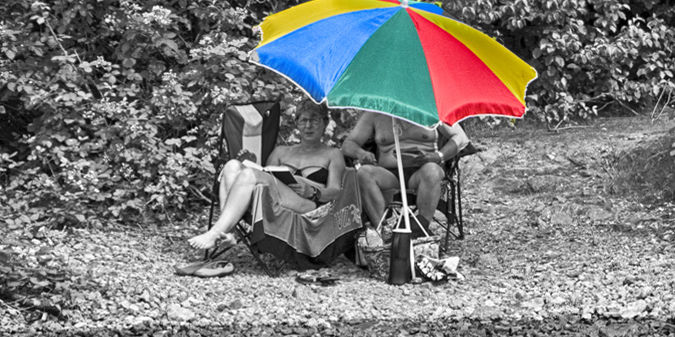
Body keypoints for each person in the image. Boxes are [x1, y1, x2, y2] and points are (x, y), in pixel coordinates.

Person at [188, 99, 346, 253]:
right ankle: (226, 234)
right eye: (303, 120)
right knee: (232, 166)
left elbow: (335, 191)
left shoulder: (333, 154)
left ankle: (216, 232)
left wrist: (312, 192)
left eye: (315, 120)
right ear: (297, 124)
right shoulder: (282, 151)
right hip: (274, 200)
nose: (308, 125)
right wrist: (251, 163)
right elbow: (266, 174)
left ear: (325, 123)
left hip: (308, 205)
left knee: (250, 174)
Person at [342, 112, 468, 236]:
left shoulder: (432, 110)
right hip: (389, 174)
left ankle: (420, 228)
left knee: (432, 171)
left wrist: (438, 156)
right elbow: (348, 144)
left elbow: (461, 137)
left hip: (422, 171)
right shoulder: (376, 113)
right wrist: (361, 154)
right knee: (364, 173)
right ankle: (384, 231)